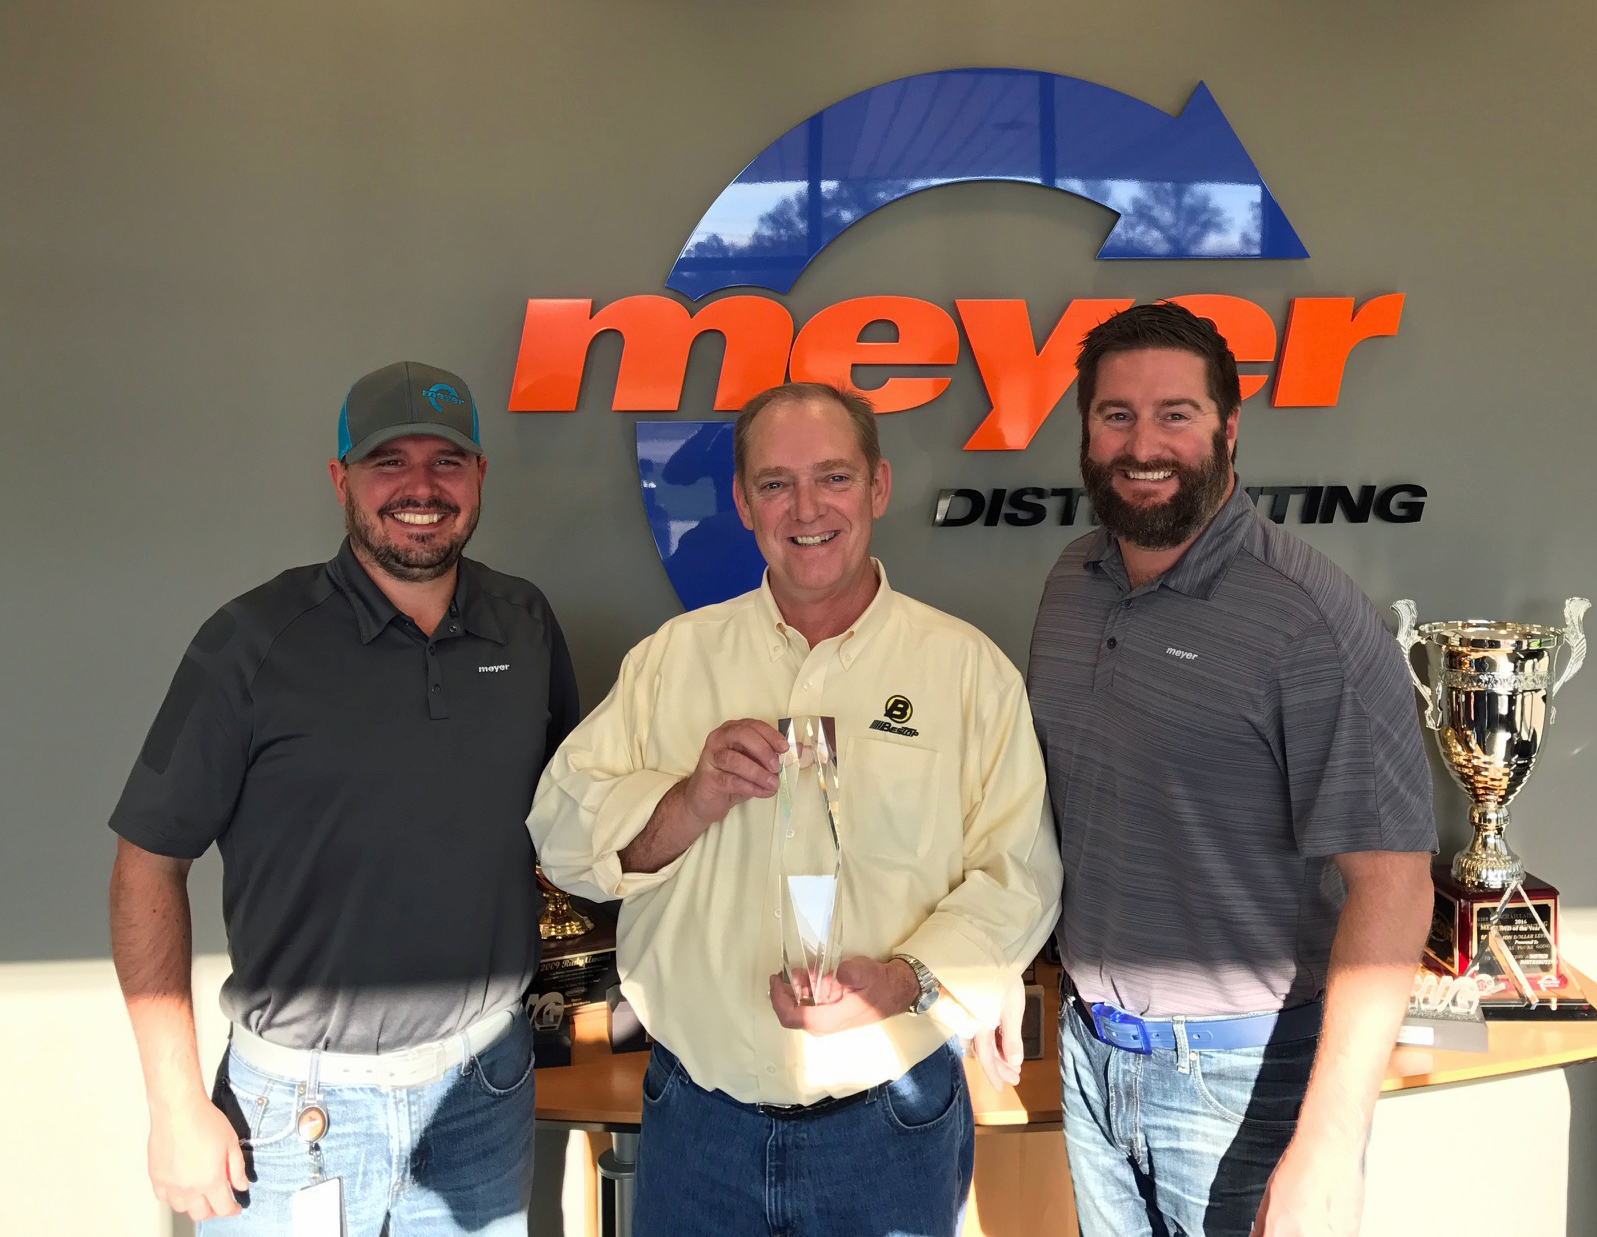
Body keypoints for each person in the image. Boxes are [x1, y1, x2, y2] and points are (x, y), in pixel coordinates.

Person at [528, 381, 1061, 1237]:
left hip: (889, 1121)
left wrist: (902, 980)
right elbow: (558, 835)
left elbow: (1019, 877)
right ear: (743, 502)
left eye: (834, 478)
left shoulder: (964, 671)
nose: (805, 507)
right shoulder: (672, 661)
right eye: (775, 482)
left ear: (878, 488)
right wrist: (689, 799)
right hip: (698, 1122)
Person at [108, 361, 579, 1233]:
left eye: (447, 459)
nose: (419, 487)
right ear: (341, 481)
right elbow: (147, 862)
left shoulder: (525, 622)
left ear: (479, 477)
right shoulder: (250, 642)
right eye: (386, 462)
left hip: (483, 1087)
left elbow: (575, 821)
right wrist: (174, 1104)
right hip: (296, 1111)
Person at [1014, 301, 1436, 1236]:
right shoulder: (1069, 584)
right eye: (1115, 415)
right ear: (1084, 431)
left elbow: (1394, 887)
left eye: (1176, 413)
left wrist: (1327, 1144)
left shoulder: (1306, 618)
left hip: (1245, 1081)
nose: (1143, 443)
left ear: (1228, 427)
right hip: (1091, 1061)